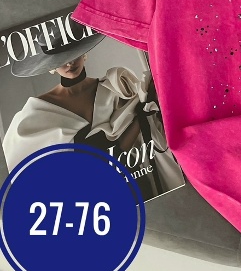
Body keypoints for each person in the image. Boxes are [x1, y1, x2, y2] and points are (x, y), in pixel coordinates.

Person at [4, 17, 183, 200]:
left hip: (136, 186)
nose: (69, 63)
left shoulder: (116, 88)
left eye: (74, 54)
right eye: (61, 59)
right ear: (51, 67)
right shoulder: (37, 113)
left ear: (84, 54)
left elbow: (144, 130)